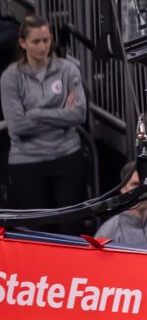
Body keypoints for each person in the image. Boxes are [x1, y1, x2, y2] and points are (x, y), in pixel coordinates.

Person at [0, 15, 87, 228]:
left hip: (66, 155)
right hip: (27, 162)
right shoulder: (10, 78)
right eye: (36, 42)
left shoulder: (68, 70)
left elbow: (78, 115)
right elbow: (17, 126)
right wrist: (60, 114)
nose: (43, 47)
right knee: (39, 235)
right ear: (23, 43)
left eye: (46, 40)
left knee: (72, 230)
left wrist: (36, 113)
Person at [96, 161, 147, 249]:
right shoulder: (107, 233)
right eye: (135, 184)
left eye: (146, 184)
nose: (143, 190)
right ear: (123, 189)